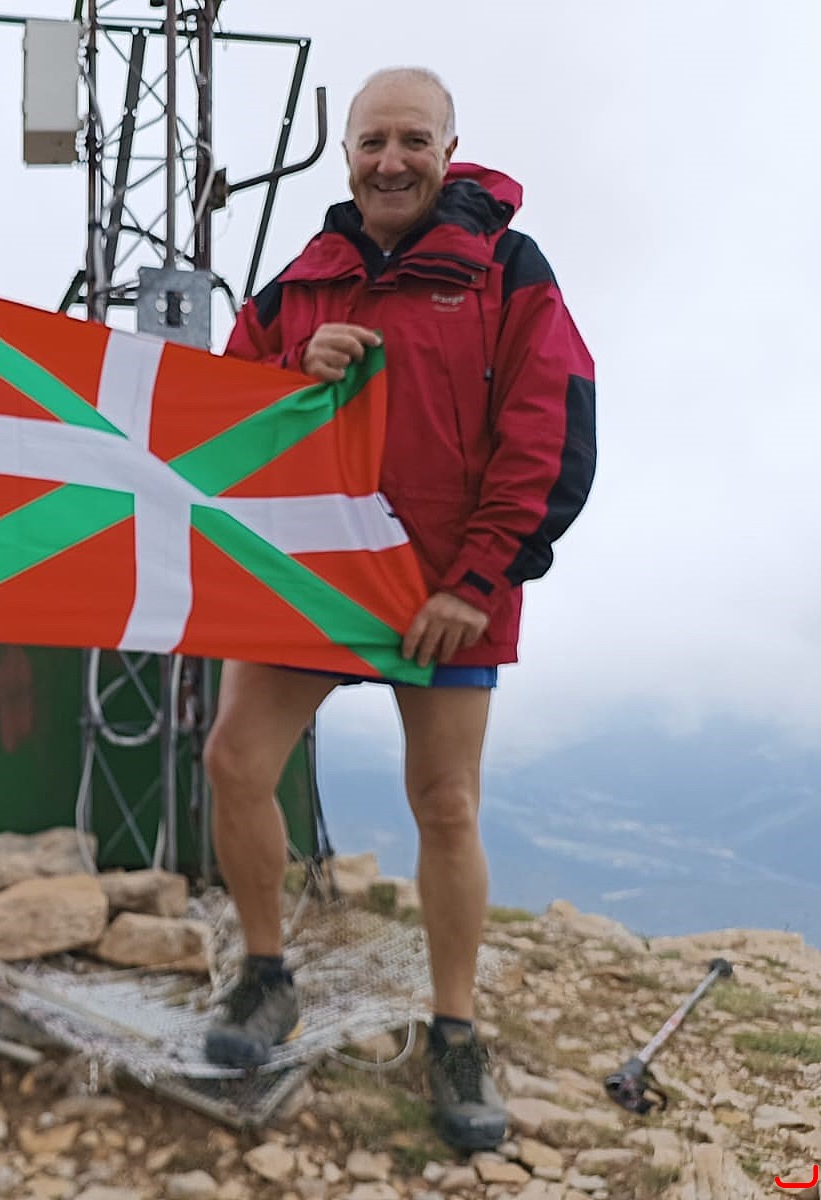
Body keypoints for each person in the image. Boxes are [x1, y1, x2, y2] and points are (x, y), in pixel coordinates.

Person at [202, 66, 595, 1152]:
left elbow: (551, 429)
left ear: (449, 149)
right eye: (372, 141)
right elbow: (218, 418)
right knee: (234, 761)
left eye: (413, 139)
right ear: (345, 155)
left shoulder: (509, 268)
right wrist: (292, 368)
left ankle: (455, 1031)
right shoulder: (298, 284)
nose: (391, 160)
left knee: (446, 805)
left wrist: (478, 581)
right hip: (313, 582)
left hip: (445, 593)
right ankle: (266, 976)